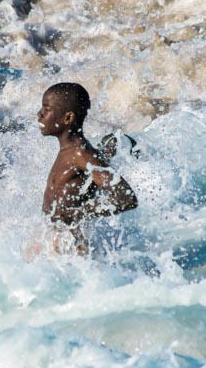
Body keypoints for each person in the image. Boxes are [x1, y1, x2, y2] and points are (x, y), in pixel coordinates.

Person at [36, 82, 138, 256]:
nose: (40, 114)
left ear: (68, 118)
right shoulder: (71, 152)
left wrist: (77, 213)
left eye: (47, 109)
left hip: (71, 245)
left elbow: (126, 198)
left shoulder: (81, 154)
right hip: (55, 238)